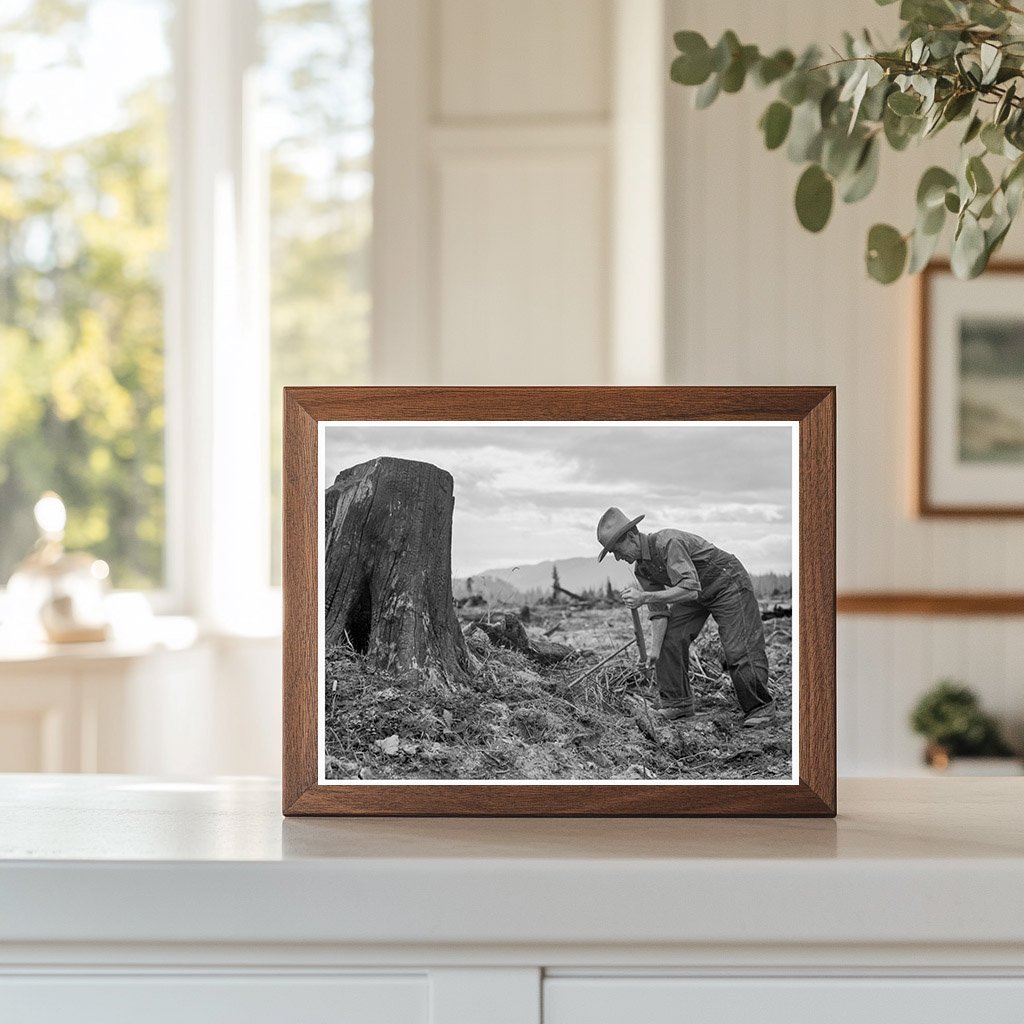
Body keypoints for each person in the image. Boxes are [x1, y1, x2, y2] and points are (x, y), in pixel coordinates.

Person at [596, 506, 775, 726]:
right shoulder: (642, 570)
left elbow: (689, 589)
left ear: (632, 536)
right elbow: (659, 612)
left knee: (739, 646)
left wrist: (644, 597)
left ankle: (760, 707)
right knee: (669, 640)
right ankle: (677, 703)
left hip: (727, 583)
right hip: (695, 594)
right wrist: (654, 651)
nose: (617, 557)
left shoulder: (668, 542)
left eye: (617, 549)